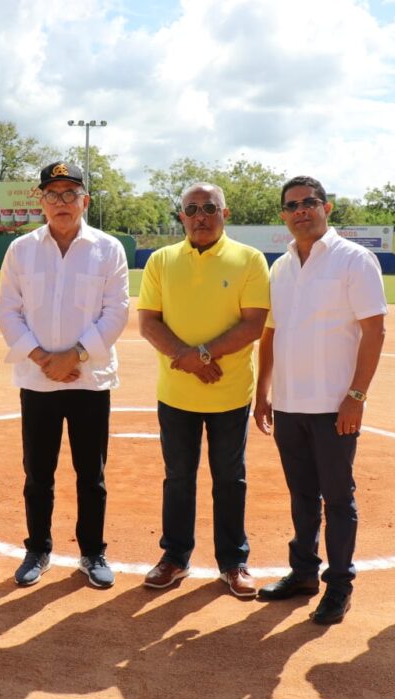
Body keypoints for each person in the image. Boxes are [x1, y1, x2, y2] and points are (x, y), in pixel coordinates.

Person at [253, 175, 387, 625]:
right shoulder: (281, 267)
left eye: (310, 202)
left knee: (337, 497)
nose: (301, 211)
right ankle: (303, 573)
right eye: (292, 206)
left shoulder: (354, 260)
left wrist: (356, 396)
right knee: (302, 495)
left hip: (334, 404)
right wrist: (263, 392)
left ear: (327, 208)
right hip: (289, 403)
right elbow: (270, 335)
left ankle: (340, 584)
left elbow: (375, 330)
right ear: (283, 216)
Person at [0, 161, 130, 588]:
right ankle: (38, 547)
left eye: (70, 194)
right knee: (38, 472)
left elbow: (116, 313)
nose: (62, 203)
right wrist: (42, 358)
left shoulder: (108, 248)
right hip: (38, 381)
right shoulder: (21, 250)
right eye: (52, 194)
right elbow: (8, 312)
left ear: (84, 201)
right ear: (41, 201)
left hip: (89, 380)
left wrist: (72, 357)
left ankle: (92, 553)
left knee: (92, 474)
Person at [137, 182, 270, 596]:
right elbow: (148, 322)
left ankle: (233, 562)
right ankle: (175, 557)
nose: (200, 216)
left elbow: (253, 324)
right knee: (178, 477)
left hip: (230, 392)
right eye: (191, 209)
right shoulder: (161, 261)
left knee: (230, 478)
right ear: (181, 217)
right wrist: (191, 359)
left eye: (209, 208)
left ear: (224, 214)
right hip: (176, 392)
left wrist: (203, 355)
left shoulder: (249, 259)